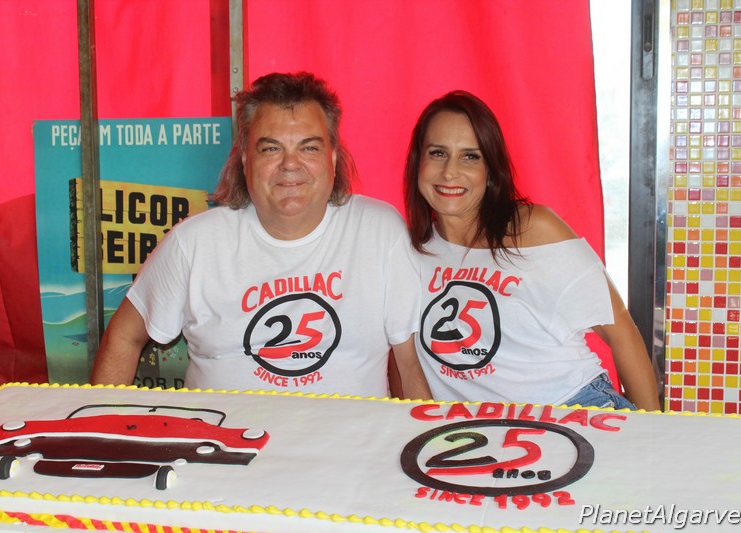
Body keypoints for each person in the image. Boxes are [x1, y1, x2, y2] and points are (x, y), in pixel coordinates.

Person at [91, 72, 431, 400]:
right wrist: (101, 427)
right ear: (244, 159)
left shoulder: (379, 231)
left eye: (309, 148)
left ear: (332, 156)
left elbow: (408, 360)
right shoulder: (193, 243)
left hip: (350, 439)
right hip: (224, 437)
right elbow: (124, 337)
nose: (290, 164)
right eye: (271, 149)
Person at [403, 90, 660, 410]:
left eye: (470, 156)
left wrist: (652, 431)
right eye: (438, 153)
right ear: (418, 162)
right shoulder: (408, 253)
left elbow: (619, 329)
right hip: (490, 431)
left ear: (490, 170)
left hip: (576, 407)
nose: (450, 172)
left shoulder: (532, 228)